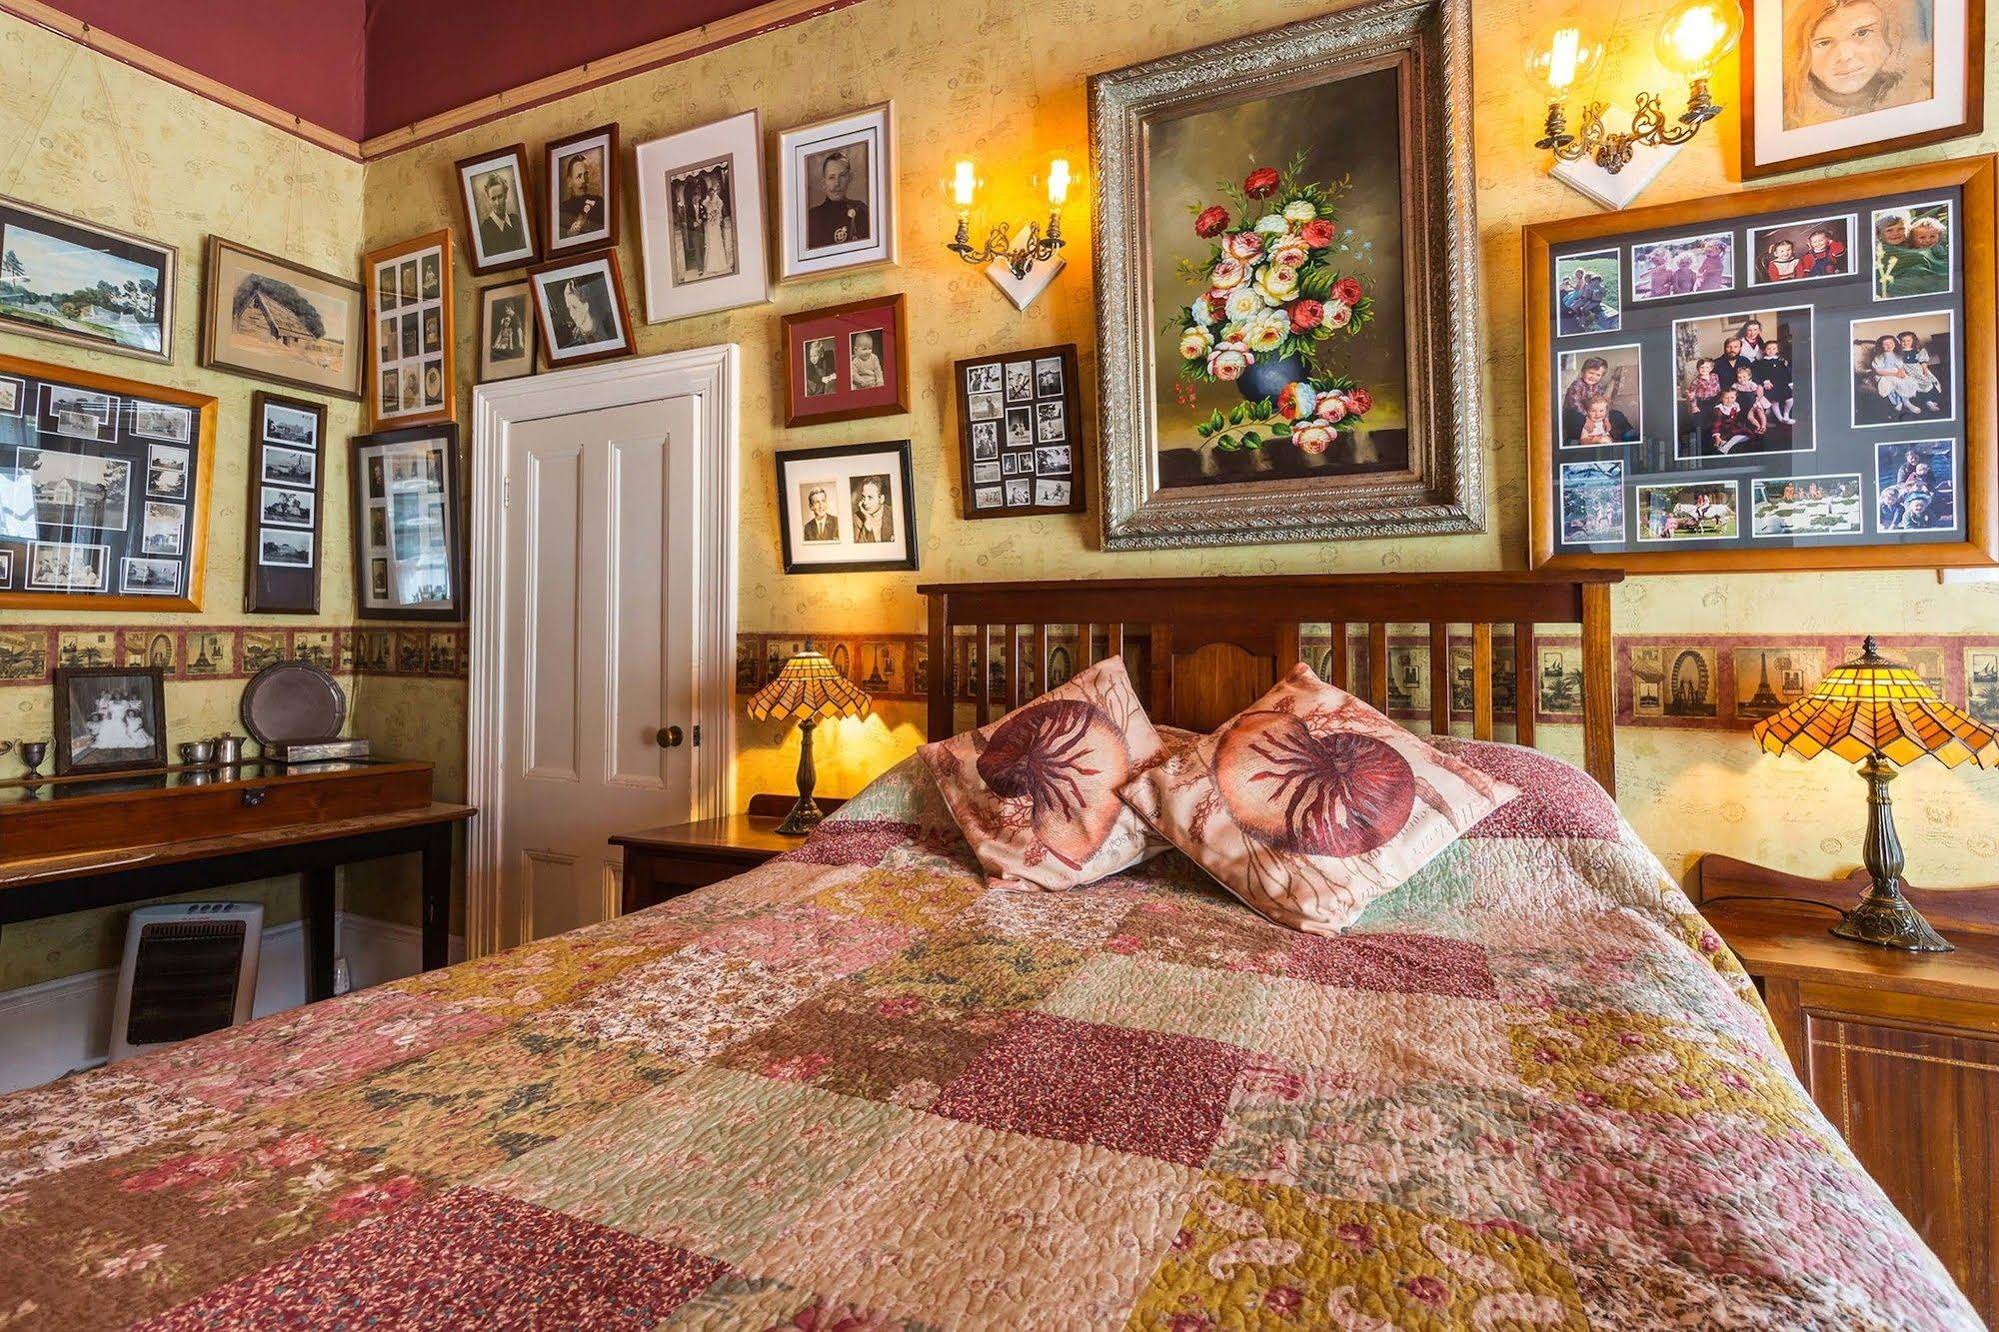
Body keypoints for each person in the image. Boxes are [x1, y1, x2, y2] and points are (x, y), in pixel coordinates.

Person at [1784, 0, 1929, 129]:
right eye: (1824, 43)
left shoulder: (1921, 94)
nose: (1845, 56)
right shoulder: (1789, 115)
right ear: (1800, 54)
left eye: (1862, 33)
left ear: (1889, 37)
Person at [806, 150, 870, 249]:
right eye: (831, 177)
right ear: (823, 182)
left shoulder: (862, 211)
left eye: (842, 176)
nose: (837, 183)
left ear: (850, 178)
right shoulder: (811, 218)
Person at [558, 152, 604, 241]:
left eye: (585, 175)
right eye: (579, 176)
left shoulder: (599, 203)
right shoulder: (562, 210)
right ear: (569, 181)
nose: (584, 180)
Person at [700, 173, 735, 276]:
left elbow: (721, 206)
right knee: (711, 244)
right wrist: (708, 199)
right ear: (708, 194)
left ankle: (720, 265)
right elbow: (703, 203)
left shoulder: (718, 201)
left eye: (713, 193)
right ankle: (711, 266)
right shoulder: (707, 202)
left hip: (715, 225)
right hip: (710, 226)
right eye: (710, 194)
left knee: (717, 243)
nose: (711, 195)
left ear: (715, 193)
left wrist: (717, 213)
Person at [851, 477, 893, 543]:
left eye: (870, 497)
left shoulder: (893, 514)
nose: (865, 502)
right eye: (863, 497)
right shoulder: (857, 518)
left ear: (881, 499)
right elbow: (858, 547)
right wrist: (867, 521)